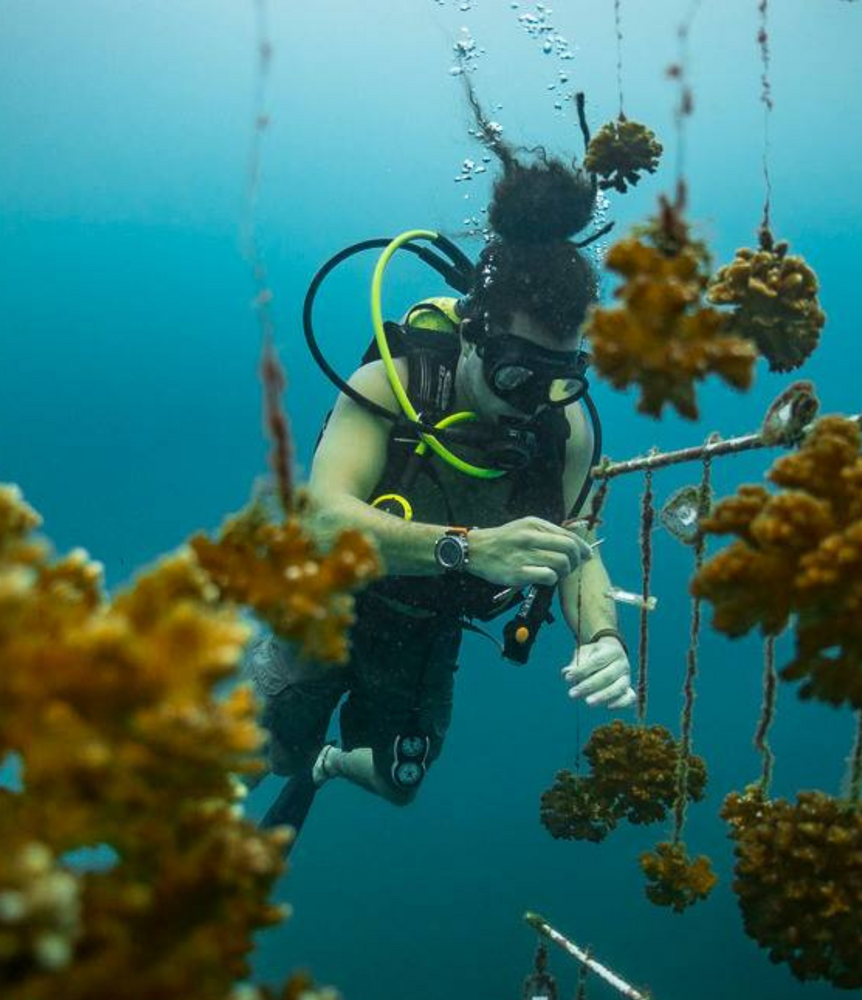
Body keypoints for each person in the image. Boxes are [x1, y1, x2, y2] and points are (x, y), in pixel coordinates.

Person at [244, 128, 635, 846]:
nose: (536, 401)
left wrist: (602, 636)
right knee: (259, 754)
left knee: (397, 784)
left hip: (424, 630)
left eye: (562, 378)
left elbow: (574, 545)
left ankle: (326, 766)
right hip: (329, 600)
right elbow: (320, 524)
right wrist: (469, 549)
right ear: (476, 336)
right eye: (519, 374)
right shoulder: (395, 385)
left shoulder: (564, 429)